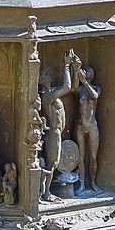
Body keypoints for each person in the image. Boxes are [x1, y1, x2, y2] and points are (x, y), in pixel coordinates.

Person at [38, 51, 81, 201]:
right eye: (43, 74)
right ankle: (46, 192)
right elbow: (67, 86)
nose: (46, 75)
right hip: (53, 133)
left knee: (53, 163)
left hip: (58, 132)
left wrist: (76, 69)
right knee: (53, 163)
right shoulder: (47, 95)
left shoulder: (52, 92)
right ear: (41, 80)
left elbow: (73, 87)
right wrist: (67, 65)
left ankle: (46, 190)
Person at [75, 65, 101, 195]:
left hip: (92, 126)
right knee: (81, 157)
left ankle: (93, 181)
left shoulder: (95, 88)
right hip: (80, 125)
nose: (86, 74)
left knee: (93, 157)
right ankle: (81, 183)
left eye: (88, 72)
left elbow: (95, 96)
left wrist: (85, 82)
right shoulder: (79, 90)